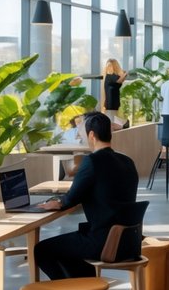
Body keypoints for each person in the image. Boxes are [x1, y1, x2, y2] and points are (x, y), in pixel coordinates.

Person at [35, 112, 142, 280]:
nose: (82, 136)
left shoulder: (92, 161)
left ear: (92, 135)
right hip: (129, 241)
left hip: (104, 242)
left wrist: (57, 203)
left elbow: (71, 198)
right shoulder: (127, 161)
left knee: (42, 250)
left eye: (83, 133)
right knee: (70, 251)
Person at [102, 59, 126, 124]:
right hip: (111, 104)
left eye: (110, 66)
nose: (108, 67)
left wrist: (123, 74)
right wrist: (125, 74)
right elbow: (119, 80)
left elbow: (120, 80)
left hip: (113, 104)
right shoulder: (110, 76)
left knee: (112, 121)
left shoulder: (112, 76)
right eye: (108, 65)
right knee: (111, 121)